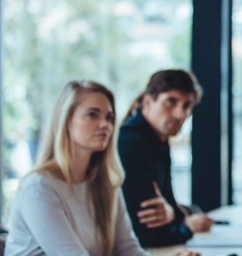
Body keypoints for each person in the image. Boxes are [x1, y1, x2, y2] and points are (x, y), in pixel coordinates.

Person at [4, 80, 197, 256]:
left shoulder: (106, 184)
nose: (104, 125)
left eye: (110, 117)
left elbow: (128, 250)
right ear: (66, 121)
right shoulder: (39, 188)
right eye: (92, 115)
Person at [119, 69, 215, 247]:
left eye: (187, 106)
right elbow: (149, 234)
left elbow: (169, 205)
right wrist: (187, 226)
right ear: (148, 102)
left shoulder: (159, 141)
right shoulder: (133, 143)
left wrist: (175, 213)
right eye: (171, 101)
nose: (180, 114)